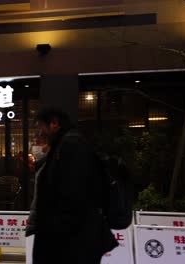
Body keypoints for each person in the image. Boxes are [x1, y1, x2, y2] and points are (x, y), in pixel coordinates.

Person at [26, 107, 118, 264]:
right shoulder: (64, 144)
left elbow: (73, 194)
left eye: (40, 126)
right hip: (67, 238)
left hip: (71, 240)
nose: (39, 133)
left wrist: (54, 230)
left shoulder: (71, 144)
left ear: (54, 124)